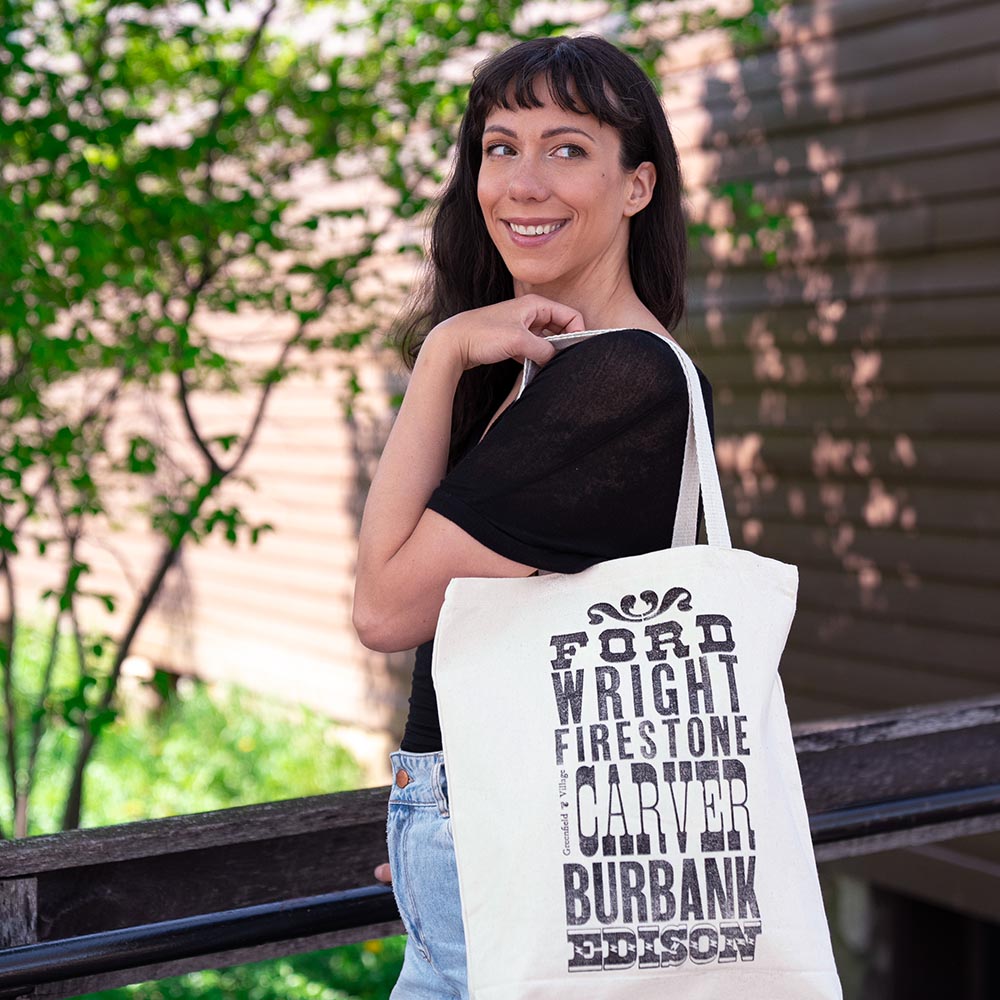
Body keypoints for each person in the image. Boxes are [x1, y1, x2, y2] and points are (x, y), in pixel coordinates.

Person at [353, 33, 714, 999]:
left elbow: (387, 608)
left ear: (637, 186)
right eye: (499, 147)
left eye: (566, 149)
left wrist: (439, 356)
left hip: (537, 884)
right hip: (501, 863)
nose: (521, 182)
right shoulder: (543, 376)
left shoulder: (622, 381)